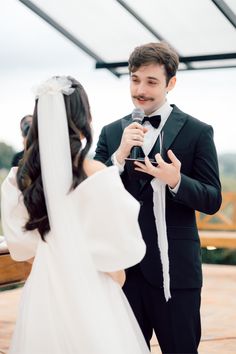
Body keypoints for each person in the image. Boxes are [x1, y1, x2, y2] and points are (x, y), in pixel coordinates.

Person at [1, 76, 150, 354]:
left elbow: (21, 245)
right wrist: (114, 278)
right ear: (83, 121)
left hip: (44, 286)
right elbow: (119, 246)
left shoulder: (20, 179)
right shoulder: (95, 174)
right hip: (91, 283)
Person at [94, 42, 222, 354]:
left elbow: (212, 199)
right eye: (135, 79)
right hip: (122, 271)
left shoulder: (197, 131)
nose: (141, 89)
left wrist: (176, 180)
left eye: (151, 82)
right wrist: (119, 157)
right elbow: (92, 194)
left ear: (171, 84)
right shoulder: (111, 133)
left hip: (175, 274)